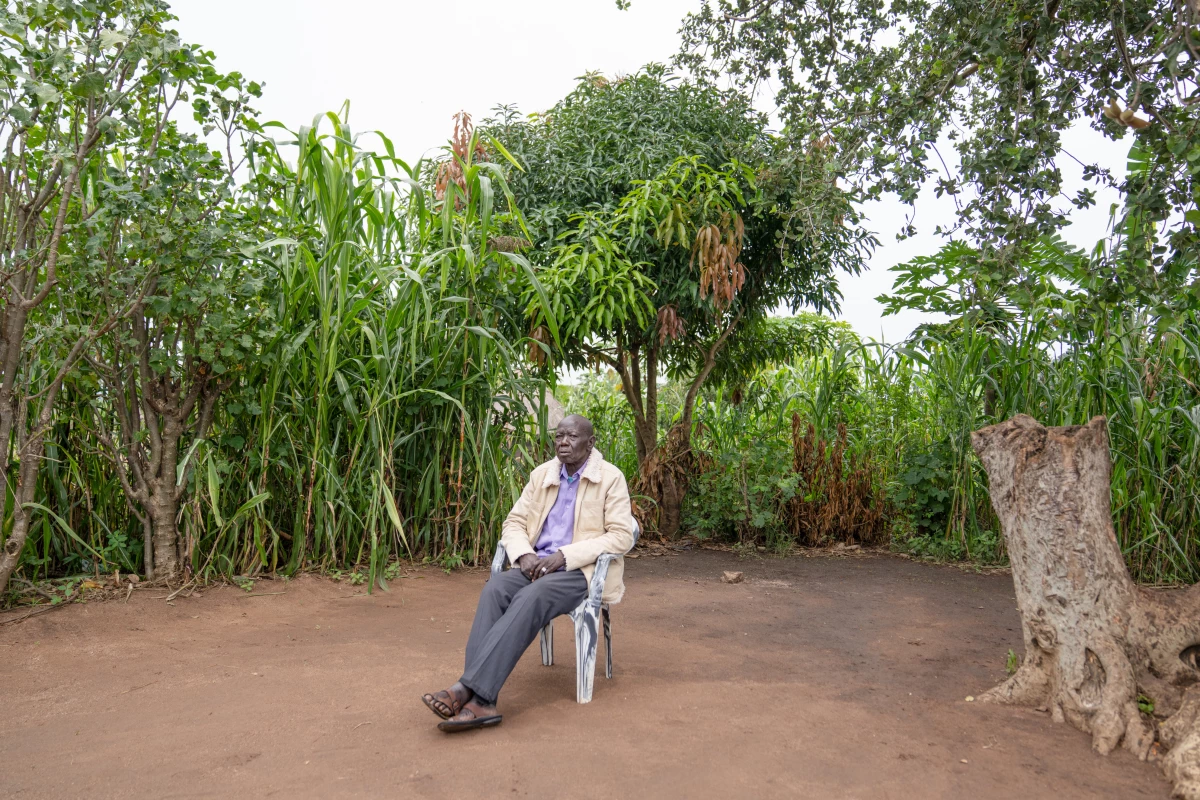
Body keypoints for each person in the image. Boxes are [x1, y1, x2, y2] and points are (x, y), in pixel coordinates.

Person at [421, 414, 634, 732]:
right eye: (559, 436)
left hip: (580, 570)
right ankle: (478, 699)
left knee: (532, 596)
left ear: (590, 443)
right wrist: (524, 554)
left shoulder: (610, 478)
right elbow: (514, 523)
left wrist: (566, 556)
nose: (563, 442)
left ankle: (472, 693)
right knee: (495, 589)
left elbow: (621, 536)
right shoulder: (542, 475)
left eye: (572, 436)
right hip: (537, 564)